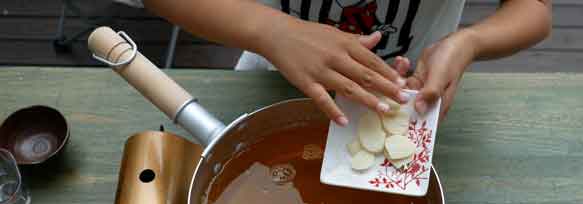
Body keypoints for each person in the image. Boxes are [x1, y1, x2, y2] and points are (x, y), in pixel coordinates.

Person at [144, 0, 551, 125]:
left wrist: (470, 42)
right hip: (272, 86)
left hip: (406, 103)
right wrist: (270, 30)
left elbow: (533, 8)